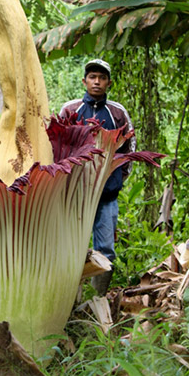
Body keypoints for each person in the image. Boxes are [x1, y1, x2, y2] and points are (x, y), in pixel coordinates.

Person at [59, 58, 134, 295]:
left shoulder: (117, 112)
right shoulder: (70, 110)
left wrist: (117, 179)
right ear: (84, 81)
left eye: (102, 78)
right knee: (73, 248)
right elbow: (57, 145)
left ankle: (97, 299)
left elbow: (129, 148)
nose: (97, 82)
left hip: (107, 195)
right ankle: (73, 299)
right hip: (76, 196)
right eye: (92, 77)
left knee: (106, 250)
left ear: (109, 83)